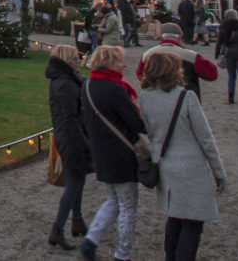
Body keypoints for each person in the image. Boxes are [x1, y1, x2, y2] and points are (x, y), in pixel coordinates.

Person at [139, 51, 226, 261]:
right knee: (192, 222)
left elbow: (149, 134)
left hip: (165, 163)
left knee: (175, 218)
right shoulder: (186, 97)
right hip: (190, 167)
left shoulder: (145, 97)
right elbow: (206, 139)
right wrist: (219, 172)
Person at [79, 45, 145, 261]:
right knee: (127, 206)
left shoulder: (88, 85)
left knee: (113, 201)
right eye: (119, 61)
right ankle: (122, 253)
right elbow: (135, 123)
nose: (123, 65)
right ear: (108, 62)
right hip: (121, 153)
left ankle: (91, 240)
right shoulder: (114, 89)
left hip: (100, 150)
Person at [46, 44, 93, 250]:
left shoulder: (69, 80)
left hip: (71, 133)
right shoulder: (64, 84)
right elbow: (70, 117)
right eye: (74, 58)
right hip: (71, 136)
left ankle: (77, 220)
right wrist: (83, 142)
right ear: (66, 60)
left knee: (78, 179)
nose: (78, 61)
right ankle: (57, 229)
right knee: (73, 182)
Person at [137, 23, 219, 102]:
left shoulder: (148, 54)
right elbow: (212, 74)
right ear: (180, 37)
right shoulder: (191, 56)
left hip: (155, 99)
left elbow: (140, 75)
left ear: (162, 37)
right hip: (185, 100)